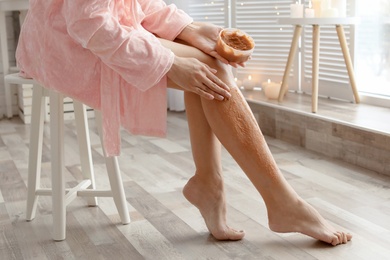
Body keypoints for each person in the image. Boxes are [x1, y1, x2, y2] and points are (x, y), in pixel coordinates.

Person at [16, 0, 352, 246]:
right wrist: (168, 64)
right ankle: (278, 201)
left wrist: (191, 31)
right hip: (65, 44)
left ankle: (211, 184)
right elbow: (88, 23)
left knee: (211, 63)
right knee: (212, 71)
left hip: (97, 27)